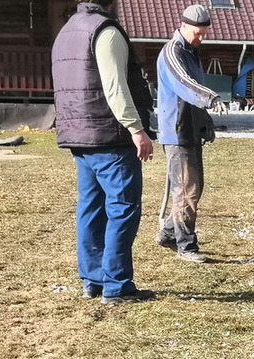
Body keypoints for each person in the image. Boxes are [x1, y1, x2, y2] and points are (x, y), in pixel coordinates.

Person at [51, 0, 156, 305]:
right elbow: (114, 86)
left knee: (90, 207)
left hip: (79, 134)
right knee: (123, 208)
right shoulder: (105, 31)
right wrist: (136, 128)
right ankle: (117, 285)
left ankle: (92, 279)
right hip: (110, 136)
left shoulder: (66, 31)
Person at [155, 4, 220, 263]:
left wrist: (205, 123)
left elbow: (194, 90)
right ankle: (186, 246)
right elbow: (184, 84)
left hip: (190, 129)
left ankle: (168, 233)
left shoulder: (191, 52)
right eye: (198, 33)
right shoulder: (172, 51)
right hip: (177, 131)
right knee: (186, 190)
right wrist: (209, 97)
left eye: (204, 33)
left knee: (194, 188)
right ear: (183, 26)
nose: (201, 38)